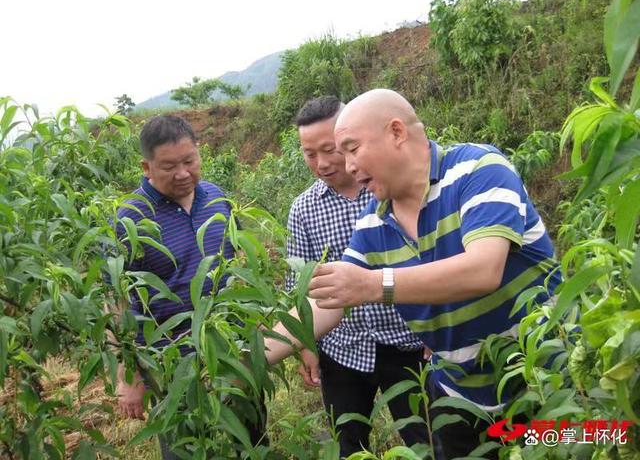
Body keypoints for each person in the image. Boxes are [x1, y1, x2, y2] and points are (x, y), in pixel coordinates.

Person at [266, 89, 562, 459]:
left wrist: (374, 284)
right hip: (461, 399)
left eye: (352, 149)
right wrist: (243, 362)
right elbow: (325, 302)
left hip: (548, 385)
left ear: (396, 132)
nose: (348, 165)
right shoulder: (373, 223)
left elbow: (484, 269)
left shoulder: (478, 169)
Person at [114, 115, 264, 458]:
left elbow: (238, 262)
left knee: (251, 441)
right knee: (185, 447)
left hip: (232, 350)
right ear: (147, 167)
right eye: (169, 166)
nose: (182, 173)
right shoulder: (131, 217)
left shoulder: (216, 198)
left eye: (189, 161)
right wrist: (129, 375)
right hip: (172, 363)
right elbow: (119, 300)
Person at [287, 96, 429, 456]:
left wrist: (438, 329)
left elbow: (431, 262)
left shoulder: (390, 189)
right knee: (348, 442)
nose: (322, 163)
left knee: (426, 436)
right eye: (309, 154)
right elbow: (299, 286)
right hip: (343, 347)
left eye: (330, 149)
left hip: (407, 340)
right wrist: (305, 345)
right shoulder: (304, 209)